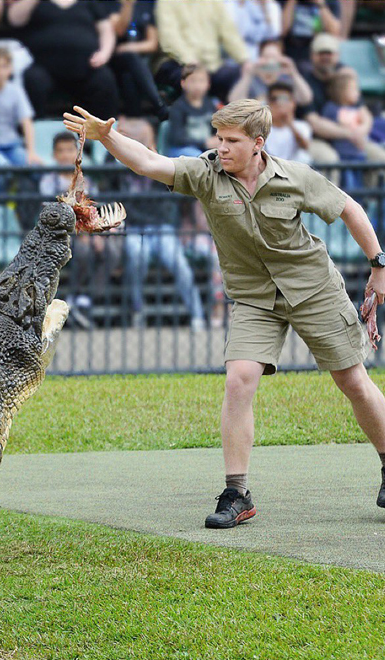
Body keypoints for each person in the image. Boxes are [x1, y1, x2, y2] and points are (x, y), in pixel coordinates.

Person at [64, 99, 385, 527]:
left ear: (258, 143)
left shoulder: (296, 176)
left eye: (232, 140)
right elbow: (147, 162)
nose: (222, 147)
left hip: (313, 289)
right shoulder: (204, 172)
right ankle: (237, 493)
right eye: (219, 138)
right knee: (239, 379)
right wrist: (108, 137)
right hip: (254, 296)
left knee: (353, 382)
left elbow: (350, 209)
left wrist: (379, 264)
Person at [115, 117, 206, 332]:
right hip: (134, 228)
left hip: (161, 227)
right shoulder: (116, 165)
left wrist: (150, 148)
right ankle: (137, 309)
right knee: (137, 256)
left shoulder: (157, 160)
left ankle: (197, 315)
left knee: (179, 264)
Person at [39, 131, 117, 329]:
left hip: (86, 232)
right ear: (54, 155)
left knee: (112, 250)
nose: (65, 155)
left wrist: (96, 233)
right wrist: (80, 232)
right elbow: (51, 215)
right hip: (59, 234)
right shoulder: (48, 181)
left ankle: (84, 299)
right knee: (81, 251)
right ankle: (76, 299)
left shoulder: (86, 180)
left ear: (77, 152)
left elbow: (94, 210)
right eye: (61, 151)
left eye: (69, 150)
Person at [8, 0, 121, 120]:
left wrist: (104, 53)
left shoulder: (90, 3)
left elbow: (106, 31)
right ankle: (35, 131)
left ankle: (104, 133)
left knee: (104, 80)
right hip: (44, 67)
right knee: (33, 81)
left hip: (85, 67)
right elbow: (14, 20)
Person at [154, 0, 250, 102]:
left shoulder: (215, 2)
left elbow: (229, 33)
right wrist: (190, 61)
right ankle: (198, 116)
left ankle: (236, 115)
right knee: (194, 79)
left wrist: (244, 60)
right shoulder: (166, 2)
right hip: (177, 62)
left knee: (240, 75)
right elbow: (169, 40)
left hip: (211, 65)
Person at [314, 68, 377, 189]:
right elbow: (327, 130)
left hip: (359, 155)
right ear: (341, 91)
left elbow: (367, 121)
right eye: (353, 89)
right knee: (348, 186)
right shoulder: (331, 108)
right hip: (343, 155)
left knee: (360, 184)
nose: (358, 93)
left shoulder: (357, 109)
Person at [108, 0, 166, 119]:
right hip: (111, 58)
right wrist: (128, 5)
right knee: (130, 59)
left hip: (137, 62)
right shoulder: (109, 3)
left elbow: (152, 44)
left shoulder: (147, 3)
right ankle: (158, 104)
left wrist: (130, 48)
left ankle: (134, 120)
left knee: (129, 75)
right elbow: (119, 31)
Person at [227, 39, 313, 104]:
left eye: (274, 57)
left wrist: (294, 73)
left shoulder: (286, 79)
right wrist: (248, 75)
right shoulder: (252, 79)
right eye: (266, 57)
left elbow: (305, 99)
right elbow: (233, 102)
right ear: (259, 58)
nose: (270, 62)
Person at [166, 65, 219, 158]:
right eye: (193, 81)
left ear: (208, 84)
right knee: (198, 158)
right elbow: (177, 138)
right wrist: (205, 142)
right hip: (183, 149)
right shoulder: (178, 107)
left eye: (201, 81)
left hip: (204, 148)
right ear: (183, 83)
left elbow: (215, 129)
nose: (197, 86)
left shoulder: (210, 104)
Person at [265, 81, 312, 162]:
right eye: (274, 99)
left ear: (293, 103)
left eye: (284, 99)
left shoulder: (302, 126)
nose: (278, 103)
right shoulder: (260, 127)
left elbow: (305, 147)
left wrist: (290, 124)